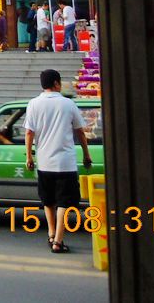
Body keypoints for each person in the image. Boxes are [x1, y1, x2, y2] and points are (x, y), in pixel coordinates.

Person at [25, 69, 93, 254]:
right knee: (64, 201)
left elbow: (29, 132)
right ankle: (58, 241)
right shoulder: (68, 104)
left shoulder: (33, 104)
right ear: (56, 83)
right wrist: (86, 155)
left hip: (44, 162)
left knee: (48, 200)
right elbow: (80, 132)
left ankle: (51, 234)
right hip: (65, 163)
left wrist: (29, 156)